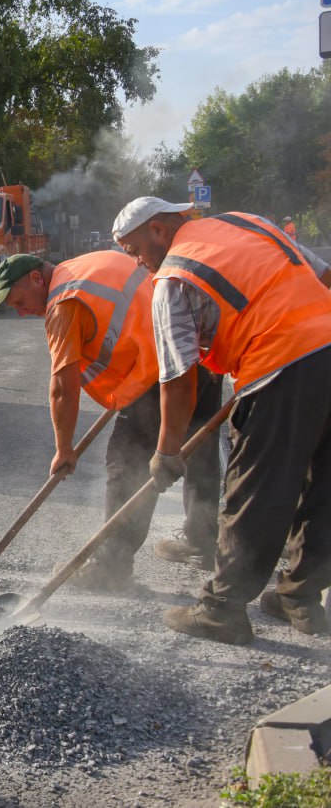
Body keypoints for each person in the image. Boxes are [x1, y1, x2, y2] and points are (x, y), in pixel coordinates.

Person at [112, 198, 331, 644]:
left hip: (279, 364)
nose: (137, 262)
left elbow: (178, 379)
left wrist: (166, 453)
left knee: (256, 489)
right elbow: (323, 275)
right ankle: (300, 596)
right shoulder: (247, 221)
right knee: (324, 483)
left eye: (135, 249)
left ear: (158, 229)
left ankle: (222, 609)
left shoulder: (173, 277)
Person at [0, 252, 222, 590]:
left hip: (157, 375)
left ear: (37, 279)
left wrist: (64, 448)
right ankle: (202, 541)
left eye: (20, 301)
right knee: (196, 450)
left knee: (127, 465)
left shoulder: (64, 303)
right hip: (195, 356)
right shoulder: (91, 264)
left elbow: (63, 388)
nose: (21, 311)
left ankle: (111, 566)